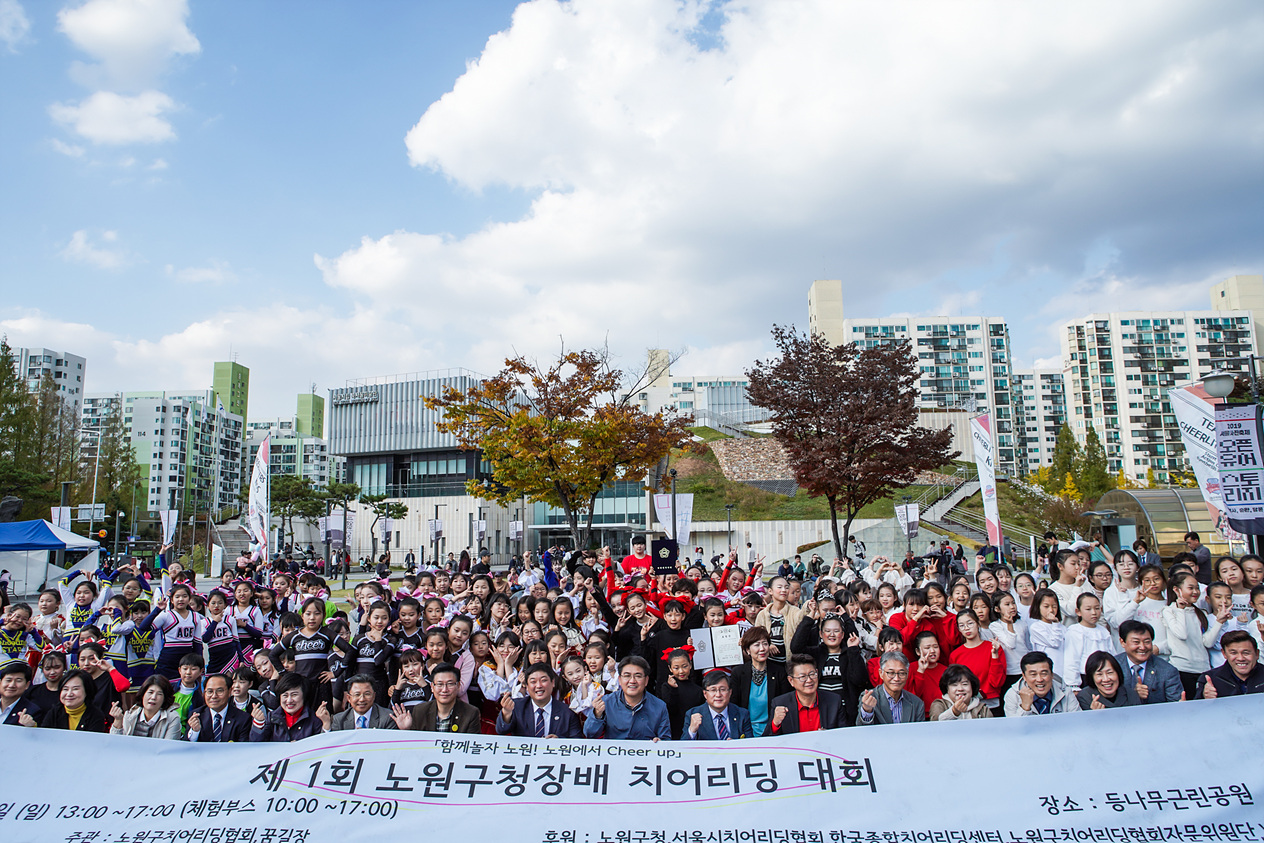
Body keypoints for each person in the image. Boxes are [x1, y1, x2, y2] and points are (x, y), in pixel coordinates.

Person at [583, 656, 671, 741]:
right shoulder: (606, 702)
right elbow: (590, 734)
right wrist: (597, 715)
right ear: (620, 680)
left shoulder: (659, 706)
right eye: (627, 675)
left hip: (644, 754)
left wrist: (660, 742)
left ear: (646, 680)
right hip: (614, 754)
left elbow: (665, 740)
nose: (632, 681)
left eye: (638, 676)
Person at [729, 627, 788, 740]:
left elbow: (784, 704)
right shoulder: (738, 673)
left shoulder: (779, 672)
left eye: (765, 644)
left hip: (773, 732)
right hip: (745, 733)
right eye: (757, 645)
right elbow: (734, 707)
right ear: (748, 650)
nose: (762, 649)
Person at [496, 663, 582, 738]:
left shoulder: (567, 712)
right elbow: (501, 730)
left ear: (553, 683)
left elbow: (577, 741)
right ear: (526, 686)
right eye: (533, 682)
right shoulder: (516, 707)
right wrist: (506, 714)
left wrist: (559, 742)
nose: (539, 685)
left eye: (543, 680)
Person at [1113, 620, 1184, 704]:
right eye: (1136, 642)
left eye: (1147, 642)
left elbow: (1175, 705)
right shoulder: (1113, 665)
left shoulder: (1167, 671)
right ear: (1122, 642)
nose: (1142, 647)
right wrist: (1133, 695)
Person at [771, 654, 846, 733]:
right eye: (802, 677)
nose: (809, 680)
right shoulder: (780, 703)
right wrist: (775, 724)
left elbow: (844, 735)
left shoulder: (834, 701)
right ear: (791, 681)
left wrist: (829, 735)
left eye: (812, 674)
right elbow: (767, 740)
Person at [397, 663, 481, 734]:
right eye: (439, 684)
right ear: (432, 687)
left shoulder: (471, 713)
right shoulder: (420, 711)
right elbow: (415, 746)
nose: (444, 690)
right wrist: (406, 731)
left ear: (458, 686)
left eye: (450, 684)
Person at [249, 671, 329, 741]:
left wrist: (326, 724)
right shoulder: (271, 718)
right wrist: (258, 723)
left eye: (294, 695)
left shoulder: (314, 720)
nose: (289, 700)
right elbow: (257, 745)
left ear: (304, 696)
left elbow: (322, 747)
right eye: (285, 695)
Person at [22, 669, 108, 732]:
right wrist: (32, 727)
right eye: (65, 689)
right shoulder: (54, 712)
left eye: (75, 689)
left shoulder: (96, 715)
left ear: (87, 691)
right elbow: (45, 738)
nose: (69, 694)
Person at [857, 651, 925, 725]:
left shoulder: (917, 704)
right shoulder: (870, 698)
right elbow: (863, 731)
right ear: (881, 673)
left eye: (901, 673)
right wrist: (867, 711)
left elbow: (919, 734)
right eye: (891, 673)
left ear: (907, 674)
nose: (896, 678)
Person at [681, 671, 753, 740]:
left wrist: (735, 746)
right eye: (713, 690)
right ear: (705, 694)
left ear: (730, 692)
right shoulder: (693, 714)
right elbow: (683, 748)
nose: (718, 695)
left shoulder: (742, 714)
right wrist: (692, 731)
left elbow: (750, 745)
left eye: (722, 689)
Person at [1003, 652, 1081, 716]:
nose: (1039, 679)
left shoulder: (1066, 692)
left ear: (1052, 674)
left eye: (1044, 673)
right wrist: (1025, 708)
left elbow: (1077, 722)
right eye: (1033, 674)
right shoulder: (1013, 695)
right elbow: (1015, 730)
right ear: (1024, 676)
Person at [108, 675, 182, 739]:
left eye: (159, 694)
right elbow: (115, 743)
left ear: (165, 699)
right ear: (143, 694)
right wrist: (118, 720)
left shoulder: (172, 718)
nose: (153, 697)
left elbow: (168, 748)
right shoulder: (130, 715)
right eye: (150, 692)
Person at [186, 673, 250, 742]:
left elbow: (243, 748)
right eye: (210, 691)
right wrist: (195, 732)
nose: (214, 696)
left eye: (219, 691)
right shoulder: (196, 716)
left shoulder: (243, 719)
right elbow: (187, 747)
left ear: (229, 692)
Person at [1197, 631, 1264, 697]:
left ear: (1257, 654)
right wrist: (1205, 700)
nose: (1240, 658)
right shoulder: (1210, 679)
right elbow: (1196, 706)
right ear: (1224, 654)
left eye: (1246, 653)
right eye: (1234, 653)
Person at [330, 674, 398, 731]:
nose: (362, 699)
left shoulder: (387, 717)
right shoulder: (339, 720)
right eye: (357, 694)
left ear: (374, 696)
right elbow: (332, 744)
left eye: (367, 694)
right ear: (349, 698)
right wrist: (326, 727)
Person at [928, 663, 992, 721]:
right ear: (947, 688)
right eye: (954, 685)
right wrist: (954, 712)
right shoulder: (939, 705)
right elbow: (936, 726)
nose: (960, 689)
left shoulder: (983, 709)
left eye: (965, 684)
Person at [0, 661, 39, 726]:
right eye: (8, 680)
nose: (11, 685)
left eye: (18, 681)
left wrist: (30, 727)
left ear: (27, 685)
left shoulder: (32, 711)